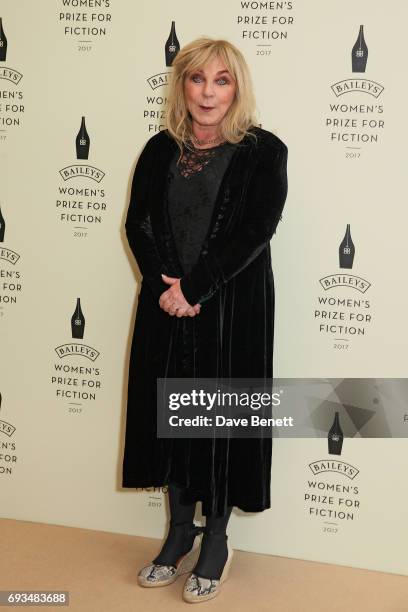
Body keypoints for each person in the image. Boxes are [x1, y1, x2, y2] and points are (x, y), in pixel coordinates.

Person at [122, 37, 288, 603]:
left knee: (218, 422)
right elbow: (136, 224)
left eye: (221, 80)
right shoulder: (158, 148)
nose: (208, 92)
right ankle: (177, 534)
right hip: (167, 306)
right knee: (171, 416)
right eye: (197, 79)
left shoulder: (265, 151)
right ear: (182, 86)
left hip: (233, 309)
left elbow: (257, 227)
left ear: (236, 87)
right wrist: (167, 288)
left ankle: (216, 540)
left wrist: (196, 287)